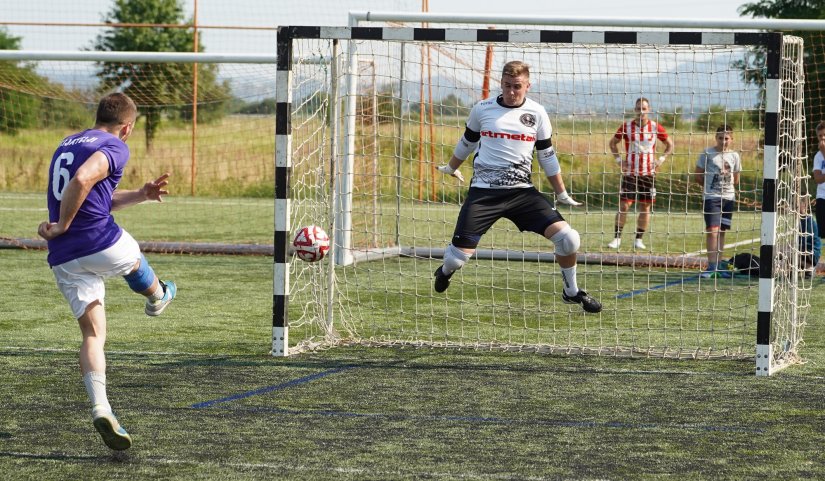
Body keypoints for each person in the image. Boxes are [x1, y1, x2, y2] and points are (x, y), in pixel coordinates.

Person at [37, 92, 177, 451]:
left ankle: (102, 408)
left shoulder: (70, 141)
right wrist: (62, 225)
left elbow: (92, 191)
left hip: (65, 256)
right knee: (133, 262)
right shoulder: (115, 145)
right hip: (97, 240)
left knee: (93, 334)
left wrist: (141, 195)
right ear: (127, 127)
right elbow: (83, 180)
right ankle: (159, 296)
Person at [434, 60, 601, 313]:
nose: (512, 92)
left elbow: (547, 155)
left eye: (518, 87)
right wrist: (451, 166)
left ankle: (572, 292)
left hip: (522, 194)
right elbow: (467, 142)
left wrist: (561, 192)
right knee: (456, 259)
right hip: (484, 193)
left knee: (569, 239)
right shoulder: (482, 109)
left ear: (528, 85)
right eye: (507, 86)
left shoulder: (537, 113)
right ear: (501, 84)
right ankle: (445, 271)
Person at [607, 97, 674, 250]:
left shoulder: (656, 127)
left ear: (648, 110)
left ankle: (638, 239)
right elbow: (612, 143)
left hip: (648, 173)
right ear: (635, 110)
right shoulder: (626, 127)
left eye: (644, 109)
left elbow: (670, 145)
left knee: (645, 207)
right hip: (630, 172)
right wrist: (619, 161)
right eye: (638, 109)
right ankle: (617, 238)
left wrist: (661, 160)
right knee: (624, 205)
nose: (641, 111)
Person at [694, 125, 741, 278]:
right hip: (711, 198)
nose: (723, 141)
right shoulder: (707, 153)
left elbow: (736, 178)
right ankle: (711, 266)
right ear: (716, 138)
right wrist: (710, 188)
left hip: (728, 198)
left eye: (726, 138)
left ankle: (719, 265)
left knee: (721, 231)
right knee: (712, 231)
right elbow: (698, 176)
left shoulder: (734, 156)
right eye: (720, 138)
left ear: (731, 139)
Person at [813, 121, 825, 240]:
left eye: (824, 134)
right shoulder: (818, 156)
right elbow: (818, 179)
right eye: (820, 135)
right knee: (822, 234)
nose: (823, 138)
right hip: (822, 197)